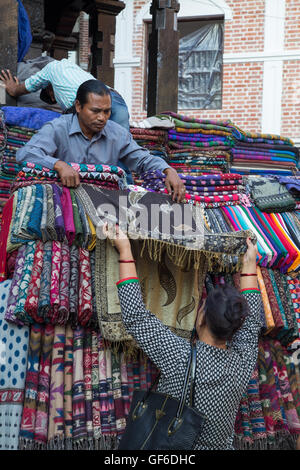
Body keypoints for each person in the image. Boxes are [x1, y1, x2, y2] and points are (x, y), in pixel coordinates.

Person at [103, 223, 262, 450]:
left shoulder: (180, 356)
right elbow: (251, 325)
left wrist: (126, 250)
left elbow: (136, 317)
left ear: (202, 319)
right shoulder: (243, 361)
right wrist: (250, 266)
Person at [15, 79, 185, 202]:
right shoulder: (58, 128)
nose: (102, 118)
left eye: (106, 111)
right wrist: (58, 165)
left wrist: (168, 171)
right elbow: (25, 154)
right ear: (78, 107)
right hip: (62, 203)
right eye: (95, 111)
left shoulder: (116, 134)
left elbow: (142, 159)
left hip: (102, 205)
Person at [0, 59, 130, 130]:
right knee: (122, 147)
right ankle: (125, 179)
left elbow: (20, 89)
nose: (54, 98)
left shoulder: (50, 69)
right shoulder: (73, 68)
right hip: (115, 98)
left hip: (92, 102)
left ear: (49, 87)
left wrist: (13, 88)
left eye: (53, 97)